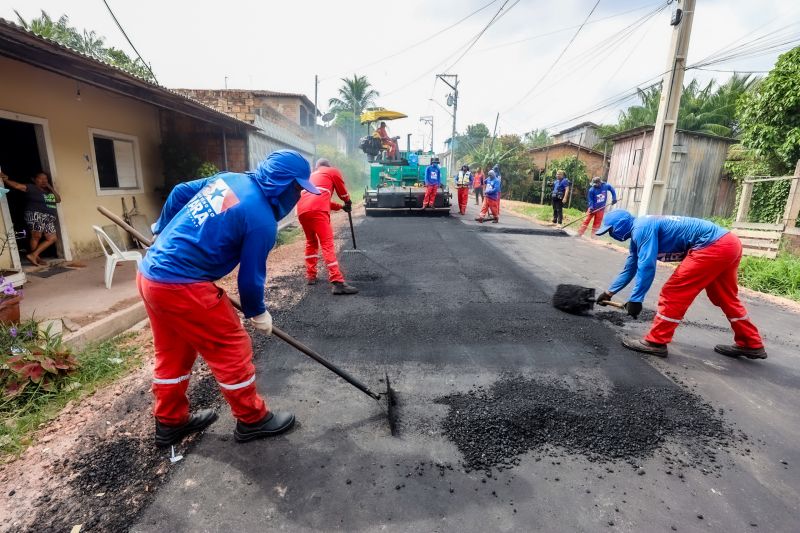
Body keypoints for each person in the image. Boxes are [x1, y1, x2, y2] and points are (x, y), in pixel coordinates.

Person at [138, 150, 319, 447]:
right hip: (182, 286)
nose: (299, 194)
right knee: (231, 346)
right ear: (282, 183)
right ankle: (252, 419)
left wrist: (161, 229)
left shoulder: (230, 179)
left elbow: (180, 191)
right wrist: (257, 312)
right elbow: (249, 278)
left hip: (151, 276)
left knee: (173, 353)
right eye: (297, 187)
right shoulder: (261, 219)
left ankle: (170, 423)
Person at [595, 210, 766, 360]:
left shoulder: (641, 228)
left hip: (712, 245)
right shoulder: (639, 230)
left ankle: (656, 342)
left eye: (610, 231)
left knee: (673, 292)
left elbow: (646, 266)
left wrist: (636, 299)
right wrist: (609, 293)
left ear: (619, 226)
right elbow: (631, 267)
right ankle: (751, 343)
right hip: (729, 243)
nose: (611, 235)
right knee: (724, 296)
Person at [296, 159, 358, 295]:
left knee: (311, 242)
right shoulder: (332, 171)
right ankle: (337, 282)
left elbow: (324, 200)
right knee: (327, 244)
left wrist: (341, 207)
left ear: (317, 167)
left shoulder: (311, 176)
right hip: (317, 210)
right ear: (327, 166)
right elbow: (342, 192)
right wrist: (347, 201)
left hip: (302, 211)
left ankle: (311, 276)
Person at [1, 171, 61, 266]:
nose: (44, 180)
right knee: (36, 236)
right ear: (34, 180)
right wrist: (6, 180)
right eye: (41, 178)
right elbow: (17, 186)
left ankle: (34, 255)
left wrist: (50, 187)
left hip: (48, 218)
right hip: (35, 215)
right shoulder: (31, 187)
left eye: (45, 179)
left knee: (52, 238)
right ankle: (36, 258)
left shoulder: (49, 192)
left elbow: (58, 199)